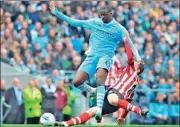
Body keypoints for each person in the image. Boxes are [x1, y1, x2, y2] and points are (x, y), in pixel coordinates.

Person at [49, 2, 142, 121]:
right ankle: (94, 91)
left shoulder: (119, 29)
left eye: (104, 15)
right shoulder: (95, 22)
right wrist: (56, 13)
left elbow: (131, 44)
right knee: (76, 82)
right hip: (92, 56)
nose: (102, 17)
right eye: (100, 15)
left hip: (106, 56)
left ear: (111, 13)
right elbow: (74, 22)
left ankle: (99, 109)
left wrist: (138, 59)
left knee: (100, 78)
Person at [54, 36, 147, 127]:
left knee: (112, 98)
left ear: (138, 69)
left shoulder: (132, 70)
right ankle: (66, 124)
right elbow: (128, 102)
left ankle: (140, 111)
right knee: (91, 111)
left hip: (115, 94)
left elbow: (130, 56)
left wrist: (126, 40)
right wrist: (122, 117)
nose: (135, 60)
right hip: (112, 96)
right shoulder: (134, 82)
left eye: (137, 62)